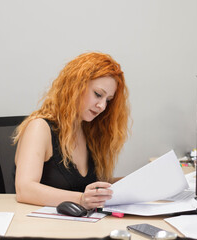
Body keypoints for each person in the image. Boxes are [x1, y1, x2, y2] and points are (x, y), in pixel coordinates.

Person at [13, 52, 130, 210]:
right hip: (42, 227)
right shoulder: (40, 127)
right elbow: (24, 189)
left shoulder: (87, 130)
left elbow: (88, 185)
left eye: (108, 100)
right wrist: (81, 199)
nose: (102, 106)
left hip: (78, 225)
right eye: (98, 95)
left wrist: (133, 182)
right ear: (75, 87)